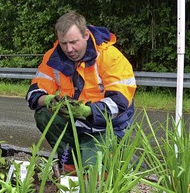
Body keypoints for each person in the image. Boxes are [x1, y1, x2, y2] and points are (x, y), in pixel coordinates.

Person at [26, 11, 136, 171]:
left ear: (85, 35)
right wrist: (49, 100)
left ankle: (121, 161)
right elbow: (33, 94)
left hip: (108, 124)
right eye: (63, 43)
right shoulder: (53, 57)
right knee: (44, 114)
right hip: (75, 119)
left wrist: (87, 111)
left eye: (73, 42)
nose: (69, 49)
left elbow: (119, 103)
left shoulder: (109, 56)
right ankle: (69, 164)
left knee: (93, 173)